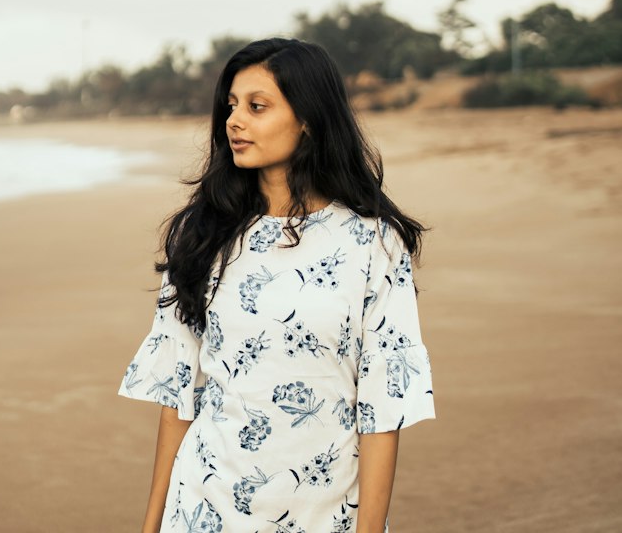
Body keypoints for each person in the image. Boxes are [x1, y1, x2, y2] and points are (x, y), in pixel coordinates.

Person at [117, 37, 435, 533]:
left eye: (257, 107)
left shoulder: (372, 243)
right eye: (231, 106)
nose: (234, 121)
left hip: (324, 512)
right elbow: (178, 394)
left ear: (308, 118)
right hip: (206, 504)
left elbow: (382, 406)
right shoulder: (201, 235)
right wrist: (151, 524)